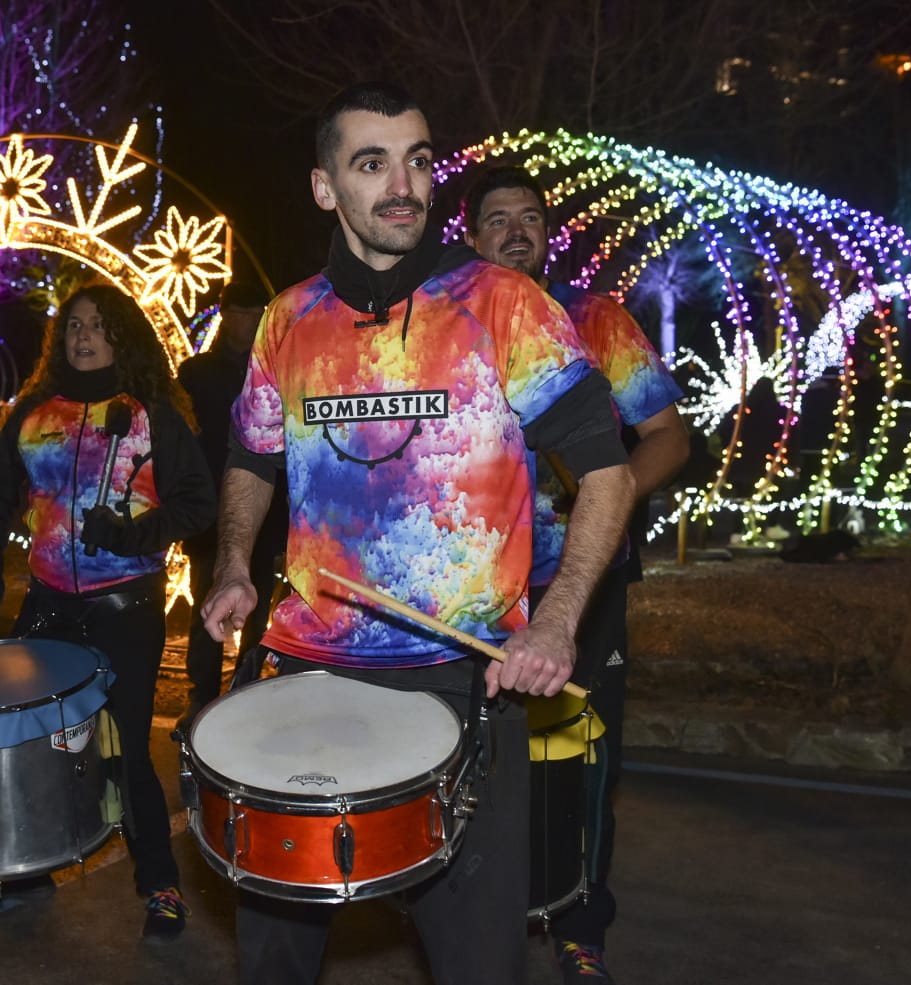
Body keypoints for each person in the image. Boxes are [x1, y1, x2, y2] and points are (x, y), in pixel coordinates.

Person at [198, 82, 636, 985]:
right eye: (371, 164)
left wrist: (555, 622)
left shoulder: (503, 304)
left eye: (419, 161)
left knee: (478, 964)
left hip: (465, 677)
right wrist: (234, 563)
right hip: (310, 668)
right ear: (325, 187)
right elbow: (250, 455)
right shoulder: (287, 319)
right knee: (273, 960)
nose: (402, 186)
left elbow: (608, 471)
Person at [462, 164, 689, 984]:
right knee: (481, 760)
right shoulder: (450, 324)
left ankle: (579, 922)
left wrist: (609, 497)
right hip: (475, 593)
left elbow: (667, 435)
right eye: (497, 218)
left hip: (583, 586)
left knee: (582, 758)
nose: (515, 230)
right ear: (471, 236)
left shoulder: (594, 319)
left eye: (529, 216)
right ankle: (476, 916)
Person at [0, 282, 215, 938]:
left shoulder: (151, 412)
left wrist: (131, 534)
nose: (84, 336)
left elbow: (198, 503)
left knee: (124, 746)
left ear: (122, 336)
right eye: (74, 324)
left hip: (124, 607)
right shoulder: (34, 412)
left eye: (99, 325)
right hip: (48, 602)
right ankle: (25, 860)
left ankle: (159, 884)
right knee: (23, 734)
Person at [175, 279, 287, 730]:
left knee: (256, 609)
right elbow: (182, 443)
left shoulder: (275, 367)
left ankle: (245, 691)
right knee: (207, 602)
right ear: (226, 316)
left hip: (266, 511)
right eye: (242, 314)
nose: (249, 323)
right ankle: (200, 697)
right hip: (208, 513)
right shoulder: (197, 373)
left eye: (257, 315)